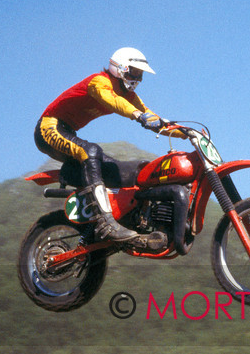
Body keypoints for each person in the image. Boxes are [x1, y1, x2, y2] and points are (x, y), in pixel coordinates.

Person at [34, 46, 172, 241]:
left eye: (140, 74)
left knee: (115, 169)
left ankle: (123, 220)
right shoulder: (99, 82)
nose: (138, 79)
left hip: (68, 132)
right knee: (90, 151)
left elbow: (150, 115)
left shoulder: (128, 96)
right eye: (134, 72)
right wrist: (138, 115)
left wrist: (181, 131)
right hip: (49, 126)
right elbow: (113, 101)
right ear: (120, 68)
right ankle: (105, 222)